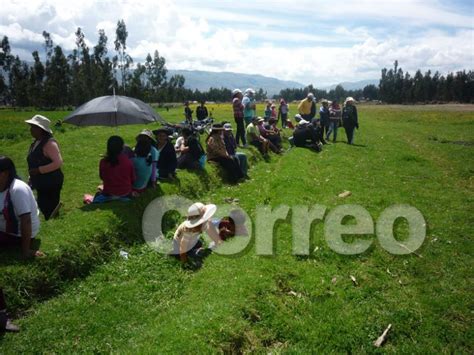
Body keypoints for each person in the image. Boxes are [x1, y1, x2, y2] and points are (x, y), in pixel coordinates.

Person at [0, 156, 42, 258]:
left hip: (17, 235)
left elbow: (26, 220)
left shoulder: (17, 189)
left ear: (5, 173)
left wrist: (26, 251)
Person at [25, 115, 64, 220]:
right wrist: (31, 177)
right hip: (41, 181)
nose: (31, 130)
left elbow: (58, 162)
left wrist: (39, 170)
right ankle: (52, 221)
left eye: (34, 127)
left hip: (51, 181)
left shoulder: (50, 143)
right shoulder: (35, 144)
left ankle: (54, 224)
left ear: (41, 130)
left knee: (49, 206)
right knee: (43, 204)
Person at [94, 136, 135, 203]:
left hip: (109, 193)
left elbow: (102, 177)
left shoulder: (103, 162)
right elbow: (133, 179)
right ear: (122, 148)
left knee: (96, 199)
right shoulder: (128, 161)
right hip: (125, 193)